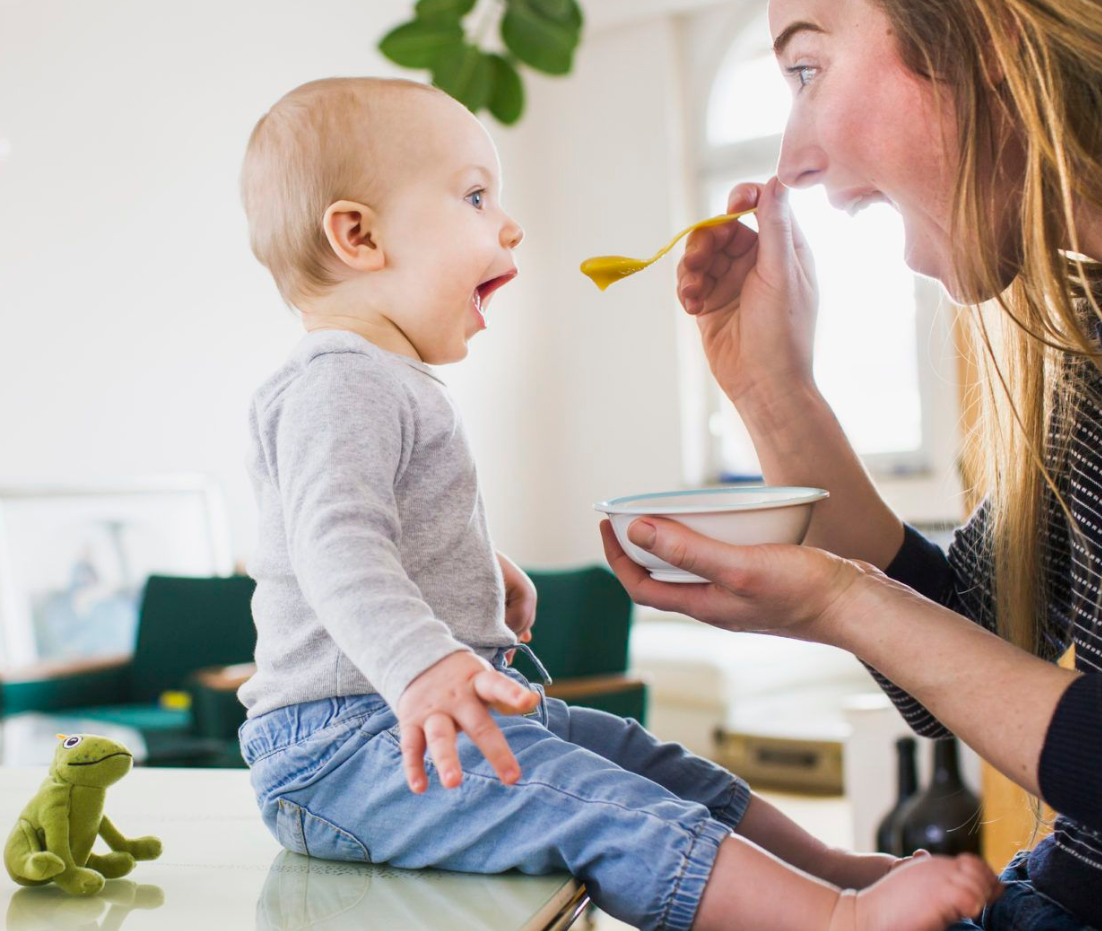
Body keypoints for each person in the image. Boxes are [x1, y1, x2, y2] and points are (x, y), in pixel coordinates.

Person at [234, 77, 999, 931]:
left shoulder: (381, 380)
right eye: (476, 196)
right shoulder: (339, 381)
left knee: (641, 759)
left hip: (397, 722)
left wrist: (472, 569)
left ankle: (826, 867)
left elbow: (370, 529)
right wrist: (424, 664)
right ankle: (831, 918)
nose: (509, 224)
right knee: (592, 802)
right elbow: (332, 546)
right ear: (359, 236)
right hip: (346, 749)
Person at [602, 0, 1102, 928]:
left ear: (988, 42)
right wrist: (773, 391)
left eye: (806, 70)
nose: (792, 154)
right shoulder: (1090, 341)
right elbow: (975, 642)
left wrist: (842, 599)